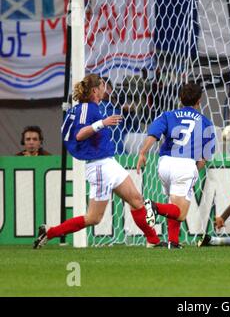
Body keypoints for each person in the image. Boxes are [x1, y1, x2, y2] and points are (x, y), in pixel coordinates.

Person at [33, 74, 160, 249]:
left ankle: (153, 241)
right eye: (102, 86)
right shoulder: (86, 108)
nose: (105, 88)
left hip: (108, 163)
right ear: (95, 90)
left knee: (137, 200)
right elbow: (79, 134)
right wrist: (102, 123)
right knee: (94, 218)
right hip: (98, 166)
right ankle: (49, 232)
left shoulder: (92, 107)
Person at [137, 82, 216, 249]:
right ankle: (153, 206)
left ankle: (173, 242)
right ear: (199, 101)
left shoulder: (168, 115)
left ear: (180, 98)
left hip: (164, 163)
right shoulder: (206, 122)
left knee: (174, 203)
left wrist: (143, 152)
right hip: (185, 165)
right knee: (180, 213)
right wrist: (195, 169)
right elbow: (206, 155)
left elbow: (153, 134)